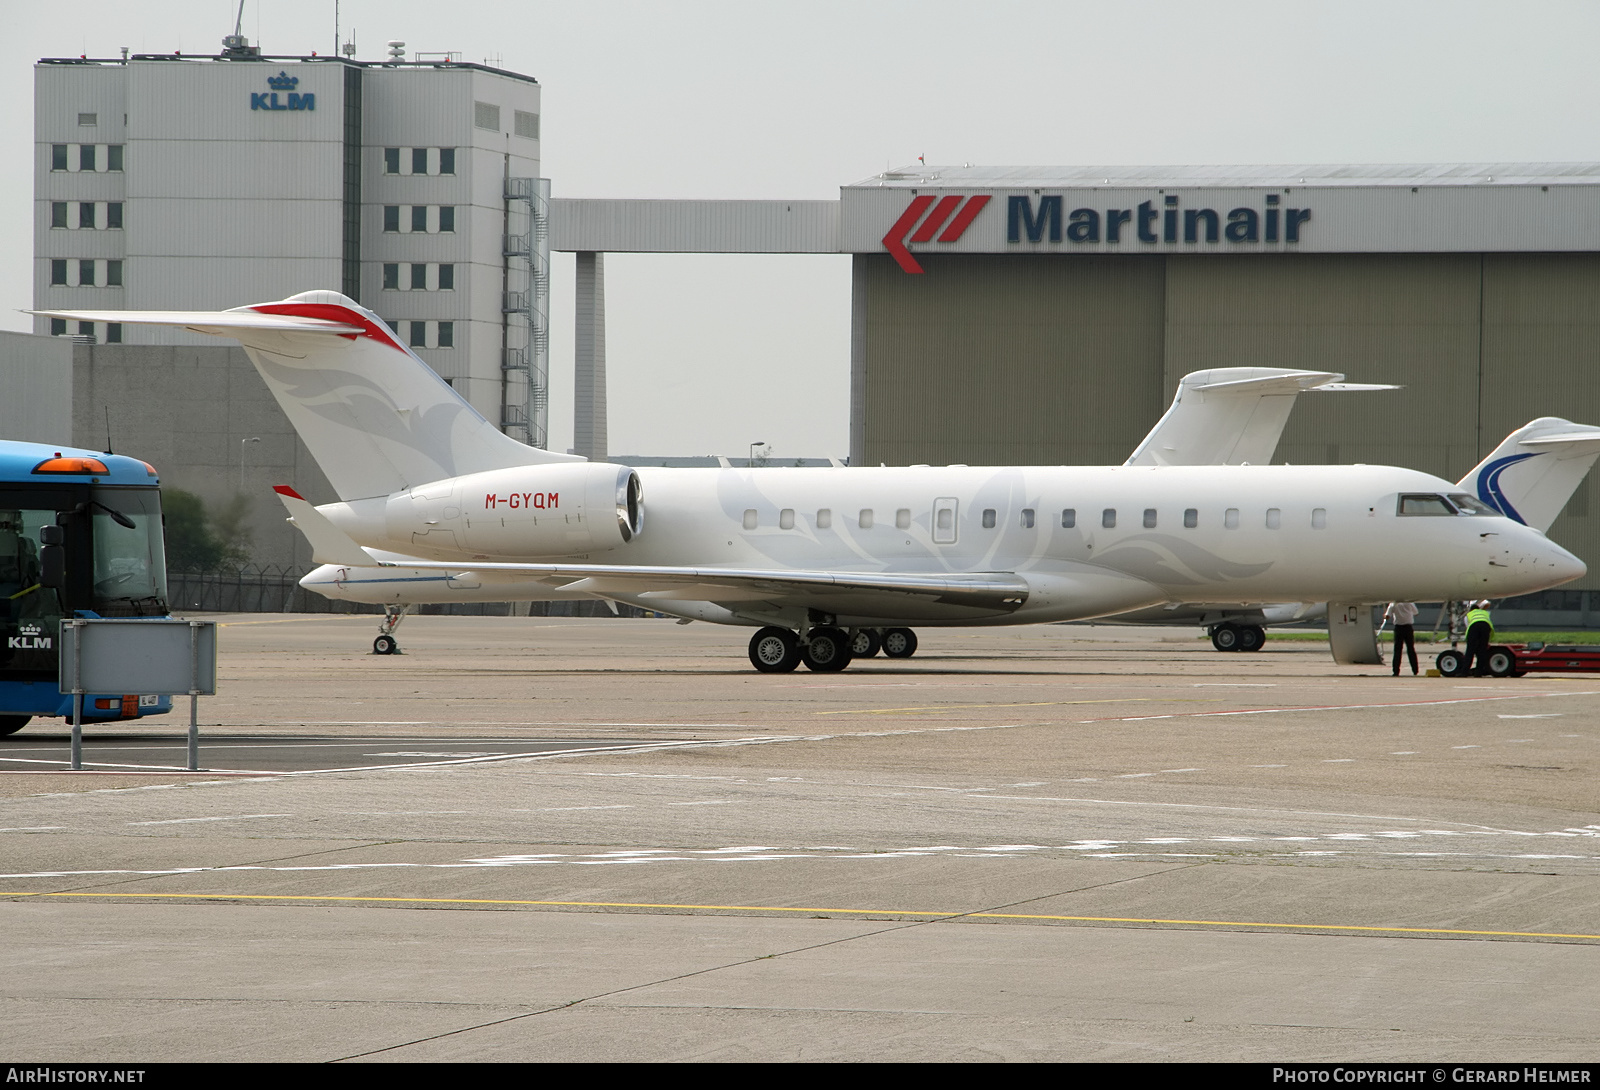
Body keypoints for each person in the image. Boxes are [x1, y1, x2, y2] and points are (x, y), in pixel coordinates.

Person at [1384, 601, 1419, 675]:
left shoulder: (1393, 604)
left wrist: (1385, 615)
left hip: (1398, 628)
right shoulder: (1409, 603)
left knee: (1397, 650)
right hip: (1408, 627)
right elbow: (1416, 613)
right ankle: (1415, 670)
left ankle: (1396, 671)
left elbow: (1387, 616)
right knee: (1411, 649)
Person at [1463, 600, 1494, 677]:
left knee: (1470, 651)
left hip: (1474, 627)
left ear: (1471, 610)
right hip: (1486, 627)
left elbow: (1468, 627)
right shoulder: (1484, 613)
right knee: (1482, 652)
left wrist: (1471, 641)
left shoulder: (1469, 614)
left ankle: (1464, 672)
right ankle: (1478, 673)